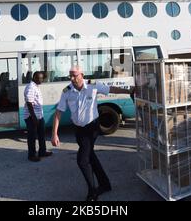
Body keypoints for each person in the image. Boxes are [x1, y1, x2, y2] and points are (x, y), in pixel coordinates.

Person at [51, 66, 134, 201]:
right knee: (91, 157)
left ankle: (92, 193)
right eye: (70, 76)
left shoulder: (92, 86)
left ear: (82, 75)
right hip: (78, 129)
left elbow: (111, 89)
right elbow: (59, 112)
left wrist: (129, 90)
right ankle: (105, 184)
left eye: (75, 75)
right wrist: (54, 134)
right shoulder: (67, 91)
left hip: (92, 128)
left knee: (82, 161)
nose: (72, 79)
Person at [23, 71, 52, 162]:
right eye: (40, 78)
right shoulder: (31, 87)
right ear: (34, 78)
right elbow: (29, 103)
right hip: (32, 117)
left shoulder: (36, 86)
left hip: (39, 116)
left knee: (41, 135)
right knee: (32, 137)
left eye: (42, 78)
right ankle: (31, 155)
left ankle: (42, 151)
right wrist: (34, 118)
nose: (41, 80)